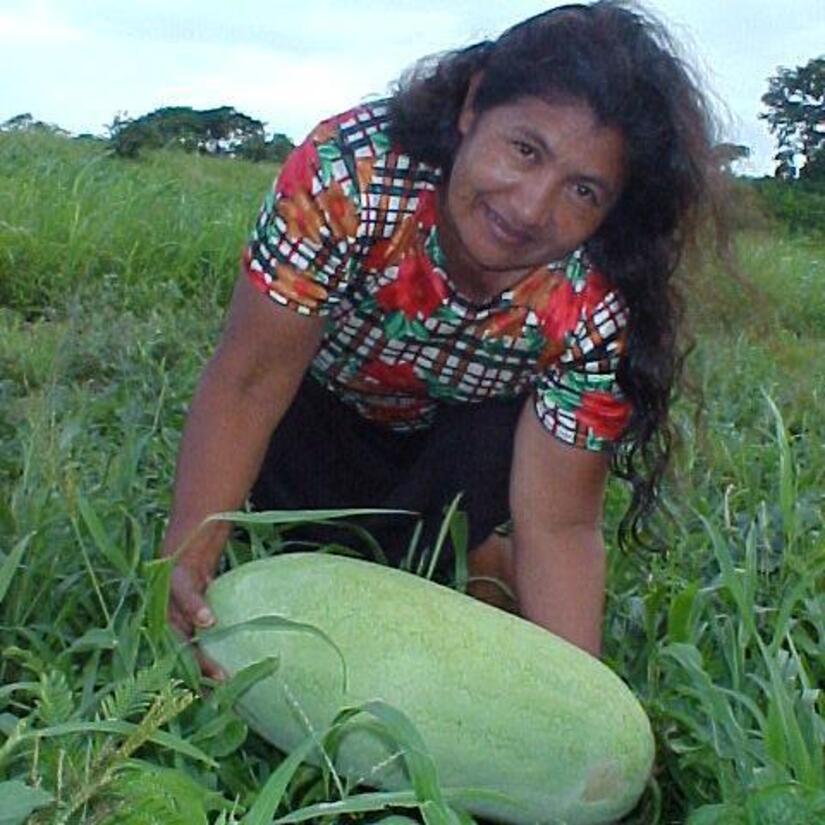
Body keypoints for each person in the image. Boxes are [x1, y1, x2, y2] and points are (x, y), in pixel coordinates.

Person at [163, 0, 725, 675]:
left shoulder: (595, 300)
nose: (528, 207)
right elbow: (248, 382)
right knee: (305, 541)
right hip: (310, 424)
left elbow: (559, 523)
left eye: (581, 190)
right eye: (524, 149)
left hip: (460, 454)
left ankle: (472, 554)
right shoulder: (350, 177)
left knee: (487, 492)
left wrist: (581, 705)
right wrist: (186, 558)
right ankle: (454, 556)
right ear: (472, 105)